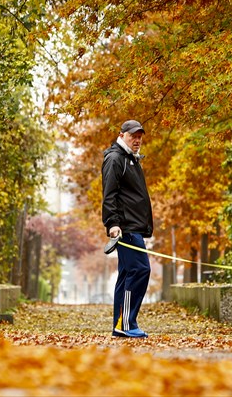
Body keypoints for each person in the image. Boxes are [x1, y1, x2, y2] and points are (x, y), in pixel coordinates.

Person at [102, 119, 154, 338]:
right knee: (140, 270)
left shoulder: (130, 159)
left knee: (126, 274)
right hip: (126, 228)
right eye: (133, 135)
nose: (137, 139)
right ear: (122, 135)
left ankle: (121, 325)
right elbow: (109, 194)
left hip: (133, 226)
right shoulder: (115, 159)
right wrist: (113, 224)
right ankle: (126, 323)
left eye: (140, 136)